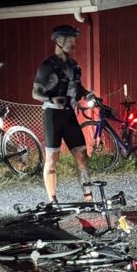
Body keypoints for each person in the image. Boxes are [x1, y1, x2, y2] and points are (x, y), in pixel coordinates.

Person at [31, 24, 95, 204]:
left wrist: (87, 94)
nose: (74, 44)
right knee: (52, 158)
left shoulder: (74, 65)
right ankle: (52, 200)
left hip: (69, 115)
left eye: (74, 40)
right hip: (52, 116)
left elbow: (77, 87)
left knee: (82, 155)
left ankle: (88, 197)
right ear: (59, 41)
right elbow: (35, 93)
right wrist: (51, 100)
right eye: (70, 40)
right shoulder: (47, 66)